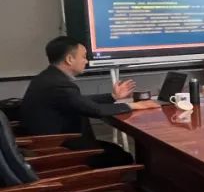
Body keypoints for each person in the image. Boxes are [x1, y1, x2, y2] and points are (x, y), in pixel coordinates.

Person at [20, 36, 159, 167]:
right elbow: (95, 110)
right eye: (83, 57)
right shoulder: (58, 85)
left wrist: (113, 96)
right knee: (123, 157)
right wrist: (134, 105)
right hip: (60, 151)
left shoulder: (47, 78)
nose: (86, 61)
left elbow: (79, 101)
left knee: (117, 151)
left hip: (49, 145)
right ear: (69, 59)